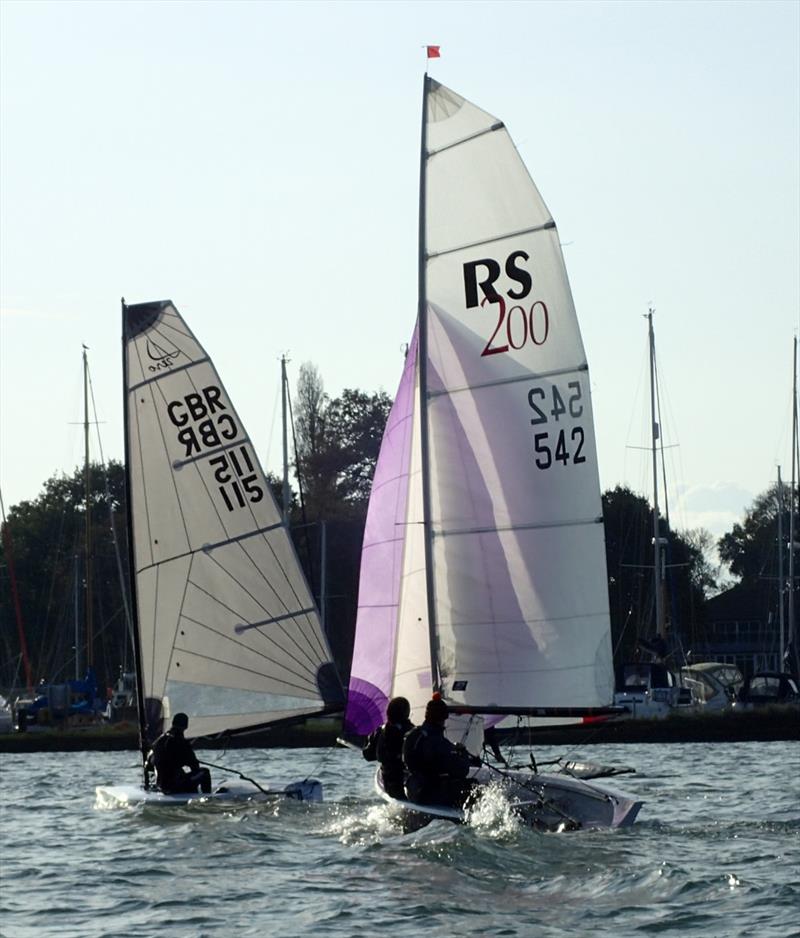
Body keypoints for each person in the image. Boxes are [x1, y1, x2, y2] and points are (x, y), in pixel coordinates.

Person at [402, 697, 481, 808]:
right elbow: (462, 771)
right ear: (443, 718)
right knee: (474, 785)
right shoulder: (439, 743)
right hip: (428, 794)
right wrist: (462, 753)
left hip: (412, 790)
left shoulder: (411, 735)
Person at [145, 712, 212, 794]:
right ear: (186, 726)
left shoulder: (159, 741)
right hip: (175, 787)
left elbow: (148, 766)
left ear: (173, 723)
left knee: (179, 772)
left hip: (161, 786)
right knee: (204, 772)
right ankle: (208, 796)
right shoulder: (182, 742)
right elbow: (194, 767)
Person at [362, 696, 414, 799]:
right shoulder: (413, 732)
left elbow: (368, 755)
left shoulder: (380, 730)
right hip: (407, 781)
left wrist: (369, 739)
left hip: (389, 780)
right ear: (406, 713)